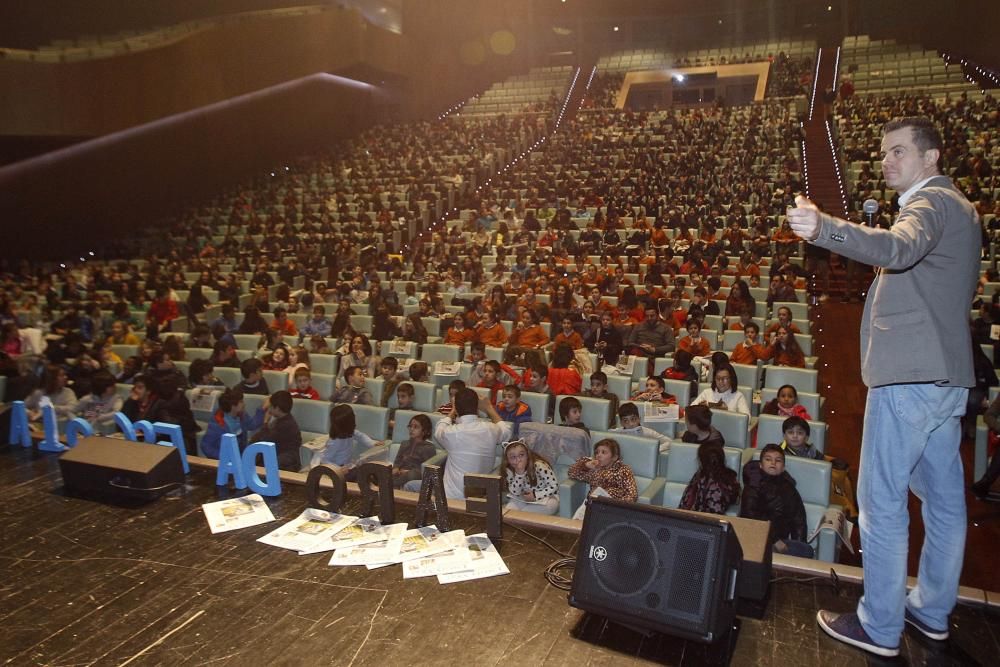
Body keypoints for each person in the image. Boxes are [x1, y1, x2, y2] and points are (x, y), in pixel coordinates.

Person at [787, 117, 980, 657]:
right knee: (942, 501)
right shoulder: (961, 209)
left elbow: (898, 251)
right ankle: (932, 611)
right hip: (944, 379)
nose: (887, 161)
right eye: (883, 153)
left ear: (931, 157)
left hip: (910, 378)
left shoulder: (931, 204)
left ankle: (879, 623)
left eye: (899, 151)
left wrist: (823, 227)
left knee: (881, 500)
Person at [405, 390, 512, 500]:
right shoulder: (491, 429)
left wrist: (453, 410)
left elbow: (439, 430)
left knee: (410, 486)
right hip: (480, 496)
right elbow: (506, 432)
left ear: (457, 407)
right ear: (477, 407)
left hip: (450, 497)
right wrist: (489, 407)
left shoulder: (451, 432)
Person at [740, 444, 813, 558]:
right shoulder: (753, 486)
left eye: (777, 460)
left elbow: (799, 520)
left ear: (783, 467)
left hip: (781, 540)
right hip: (756, 539)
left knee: (805, 550)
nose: (773, 463)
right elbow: (751, 517)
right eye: (768, 459)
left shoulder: (789, 488)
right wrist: (774, 540)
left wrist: (799, 543)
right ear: (760, 465)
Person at [567, 438, 638, 519]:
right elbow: (571, 473)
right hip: (594, 505)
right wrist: (586, 465)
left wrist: (617, 505)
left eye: (603, 452)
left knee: (597, 495)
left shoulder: (623, 470)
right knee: (593, 497)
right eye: (597, 452)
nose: (599, 455)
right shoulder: (594, 469)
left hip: (614, 507)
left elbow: (632, 495)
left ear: (614, 457)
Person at [200, 388, 267, 459]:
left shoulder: (242, 415)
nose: (244, 404)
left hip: (240, 456)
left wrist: (262, 408)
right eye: (241, 402)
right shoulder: (216, 424)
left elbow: (252, 425)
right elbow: (206, 446)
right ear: (233, 406)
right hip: (225, 460)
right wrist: (225, 457)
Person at [315, 404, 385, 470]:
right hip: (338, 470)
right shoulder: (334, 441)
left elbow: (361, 436)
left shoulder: (350, 432)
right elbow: (324, 460)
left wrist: (372, 443)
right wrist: (339, 469)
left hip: (348, 466)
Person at [679, 442, 740, 515]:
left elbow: (685, 504)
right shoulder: (730, 478)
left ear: (701, 461)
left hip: (697, 521)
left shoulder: (700, 478)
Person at [501, 440, 559, 515]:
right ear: (507, 460)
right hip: (523, 498)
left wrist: (536, 495)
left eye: (521, 455)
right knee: (508, 512)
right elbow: (515, 492)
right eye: (513, 457)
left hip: (547, 498)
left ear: (527, 455)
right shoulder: (509, 469)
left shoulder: (539, 465)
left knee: (524, 514)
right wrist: (519, 474)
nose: (518, 460)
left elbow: (554, 486)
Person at [250, 390, 302, 472]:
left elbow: (264, 439)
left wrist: (265, 422)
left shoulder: (285, 425)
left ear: (277, 408)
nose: (269, 409)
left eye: (270, 406)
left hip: (284, 464)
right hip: (278, 457)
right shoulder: (282, 420)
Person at [390, 414, 437, 489]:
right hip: (400, 473)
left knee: (412, 474)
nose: (411, 429)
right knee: (384, 468)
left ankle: (387, 483)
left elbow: (427, 469)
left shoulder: (429, 447)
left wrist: (407, 471)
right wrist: (396, 468)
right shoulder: (404, 443)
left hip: (415, 474)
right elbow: (397, 460)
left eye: (416, 427)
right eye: (410, 426)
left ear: (425, 431)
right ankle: (389, 483)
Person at [72, 369, 122, 435]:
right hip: (84, 430)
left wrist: (99, 417)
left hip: (103, 432)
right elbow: (72, 410)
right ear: (102, 387)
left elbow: (116, 413)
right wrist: (77, 422)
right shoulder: (87, 399)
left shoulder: (116, 398)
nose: (115, 387)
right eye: (111, 386)